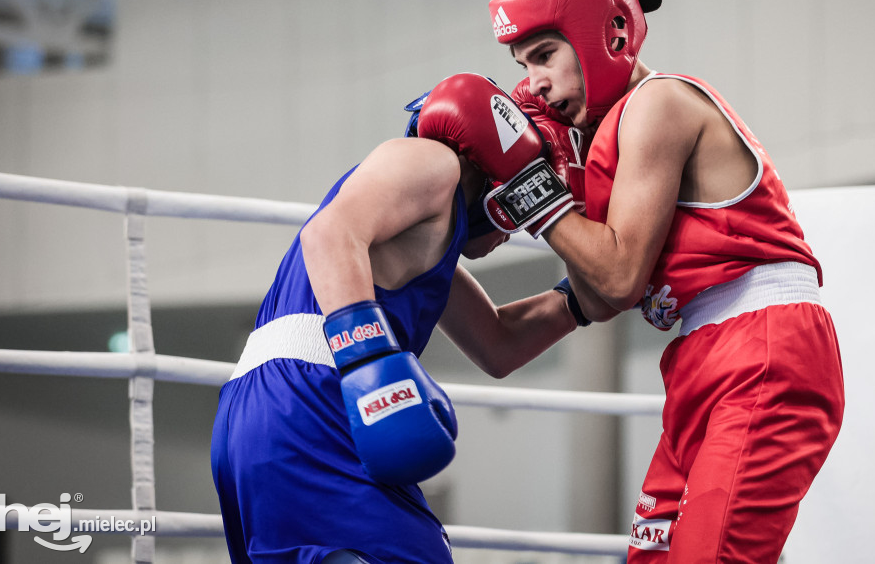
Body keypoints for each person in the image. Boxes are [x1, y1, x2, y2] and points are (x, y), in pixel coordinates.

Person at [486, 0, 846, 562]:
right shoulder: (609, 142)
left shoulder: (659, 104)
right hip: (702, 357)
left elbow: (622, 276)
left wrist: (532, 193)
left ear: (610, 34)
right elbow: (598, 295)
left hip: (763, 346)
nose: (533, 83)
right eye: (523, 66)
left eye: (545, 55)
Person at [210, 73, 591, 564]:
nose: (520, 228)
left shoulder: (426, 237)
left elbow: (498, 342)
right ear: (501, 166)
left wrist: (580, 301)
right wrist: (374, 365)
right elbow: (327, 235)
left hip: (276, 407)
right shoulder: (433, 161)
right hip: (312, 399)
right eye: (525, 199)